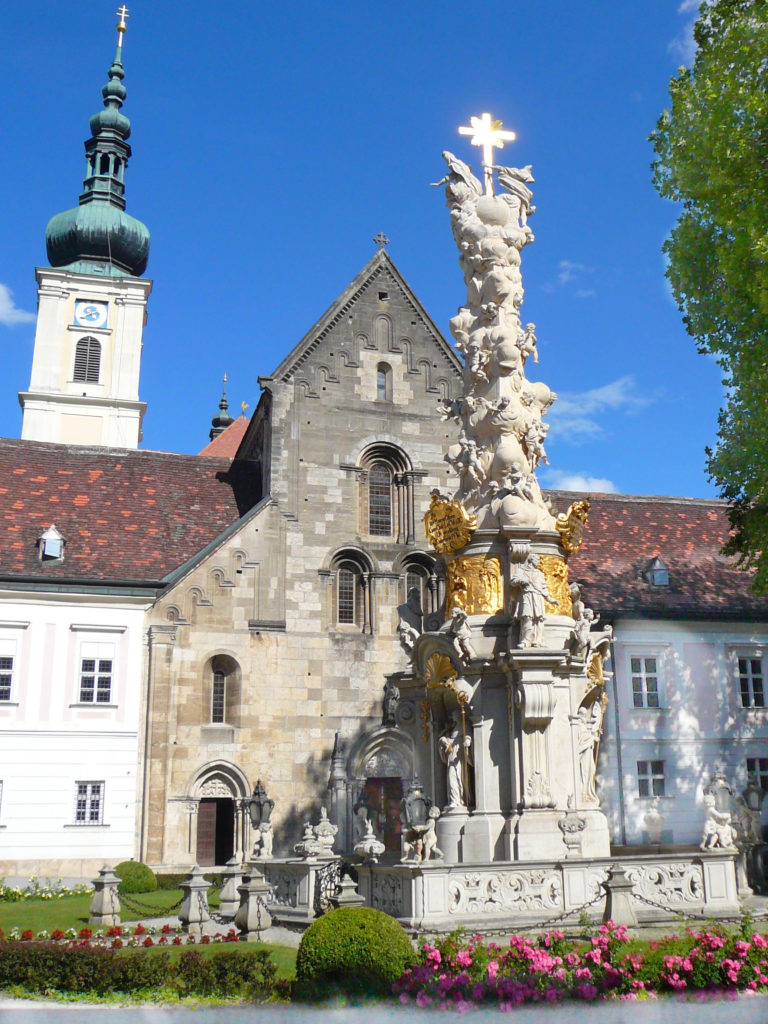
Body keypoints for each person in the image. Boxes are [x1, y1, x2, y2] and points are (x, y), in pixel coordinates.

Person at [439, 711, 472, 809]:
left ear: (459, 715)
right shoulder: (453, 727)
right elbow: (447, 738)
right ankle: (454, 800)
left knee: (458, 776)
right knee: (451, 776)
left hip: (459, 754)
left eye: (454, 714)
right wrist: (444, 741)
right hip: (452, 754)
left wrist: (468, 741)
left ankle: (460, 799)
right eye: (452, 714)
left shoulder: (465, 725)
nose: (453, 716)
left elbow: (468, 735)